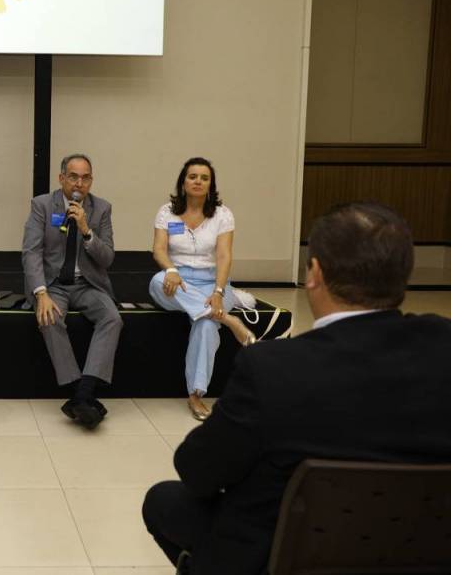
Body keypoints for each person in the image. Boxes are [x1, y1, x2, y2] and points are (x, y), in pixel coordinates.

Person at [142, 202, 451, 575]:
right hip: (422, 551)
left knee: (165, 501)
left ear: (314, 273)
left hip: (283, 556)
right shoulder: (443, 345)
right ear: (404, 274)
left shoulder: (272, 368)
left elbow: (197, 471)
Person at [147, 157, 255, 421]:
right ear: (183, 182)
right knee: (156, 282)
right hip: (177, 280)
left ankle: (195, 394)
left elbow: (224, 256)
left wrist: (218, 292)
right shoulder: (167, 212)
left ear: (210, 185)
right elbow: (159, 250)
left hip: (212, 283)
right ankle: (229, 319)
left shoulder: (223, 214)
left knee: (206, 325)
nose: (198, 181)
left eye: (204, 178)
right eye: (193, 176)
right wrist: (171, 270)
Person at [22, 153, 122, 429]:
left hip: (88, 283)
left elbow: (107, 259)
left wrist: (87, 231)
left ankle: (82, 394)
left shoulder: (101, 208)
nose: (79, 183)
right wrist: (41, 293)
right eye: (73, 177)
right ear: (61, 178)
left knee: (113, 318)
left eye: (85, 178)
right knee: (49, 318)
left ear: (91, 180)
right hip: (53, 284)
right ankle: (82, 393)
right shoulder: (42, 205)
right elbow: (31, 252)